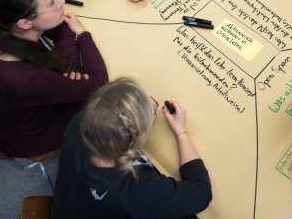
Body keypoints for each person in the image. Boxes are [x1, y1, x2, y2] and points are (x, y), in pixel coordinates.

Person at [0, 0, 109, 158]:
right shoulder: (22, 79)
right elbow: (98, 83)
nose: (62, 2)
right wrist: (82, 35)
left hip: (6, 110)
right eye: (52, 2)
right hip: (22, 137)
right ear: (24, 23)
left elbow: (60, 29)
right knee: (101, 101)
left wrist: (67, 70)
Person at [52, 77, 212, 218]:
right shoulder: (136, 190)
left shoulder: (78, 123)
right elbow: (202, 192)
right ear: (137, 139)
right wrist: (181, 131)